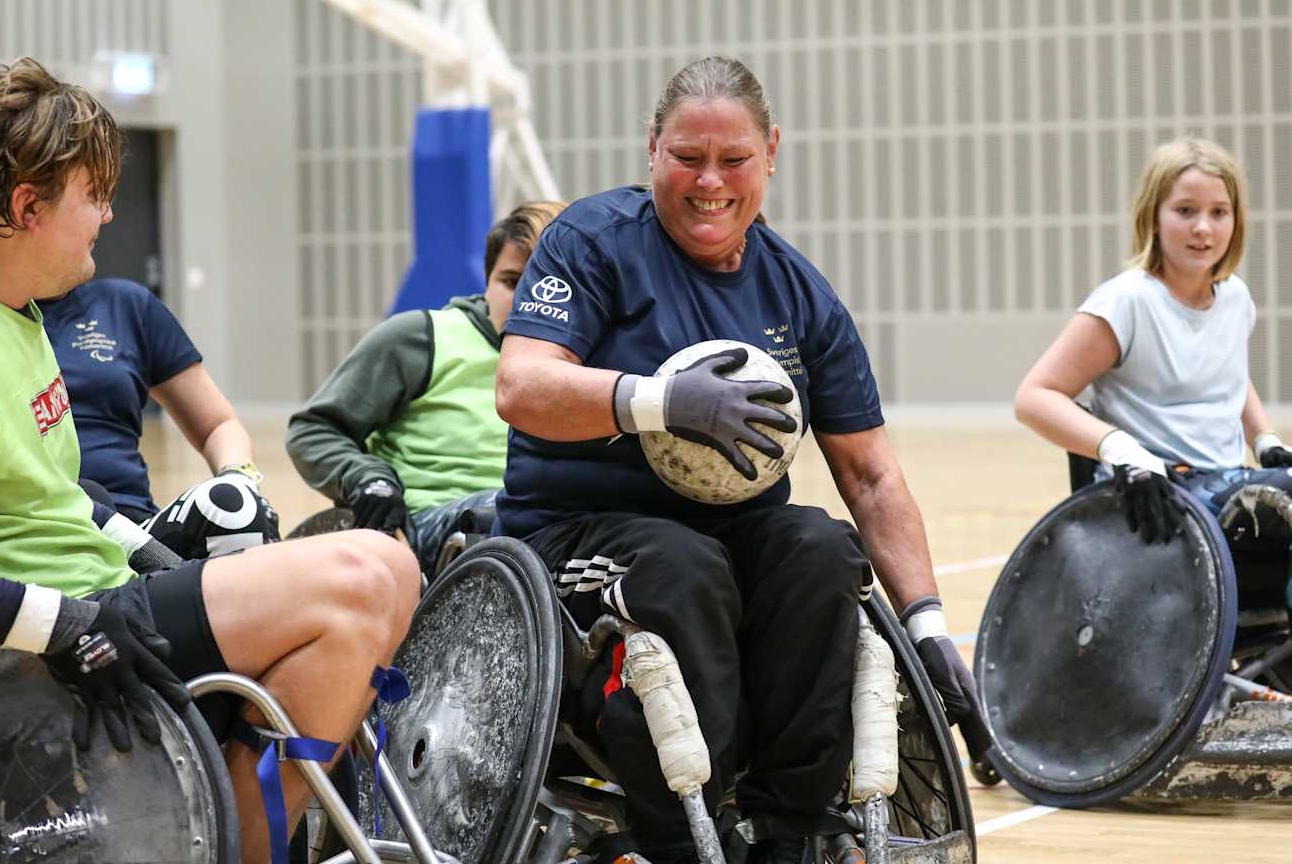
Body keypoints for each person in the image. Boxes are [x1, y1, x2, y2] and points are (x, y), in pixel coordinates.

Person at [0, 58, 419, 864]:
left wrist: (143, 546)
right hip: (42, 640)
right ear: (26, 206)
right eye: (94, 195)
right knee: (365, 579)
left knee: (384, 580)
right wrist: (62, 622)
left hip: (102, 594)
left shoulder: (6, 313)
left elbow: (45, 490)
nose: (110, 214)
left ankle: (231, 824)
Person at [494, 56, 985, 864]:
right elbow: (522, 384)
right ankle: (687, 835)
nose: (708, 183)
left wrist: (929, 629)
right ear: (651, 146)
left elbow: (869, 474)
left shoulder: (798, 293)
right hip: (574, 534)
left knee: (822, 548)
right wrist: (658, 400)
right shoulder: (590, 242)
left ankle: (783, 826)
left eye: (734, 160)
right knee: (682, 566)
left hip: (730, 536)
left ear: (772, 152)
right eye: (686, 157)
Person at [1016, 137, 1292, 595]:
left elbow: (1229, 374)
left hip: (1229, 481)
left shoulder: (1236, 298)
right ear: (1153, 216)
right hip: (1161, 490)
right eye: (1185, 211)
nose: (1203, 228)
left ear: (1235, 220)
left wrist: (1264, 439)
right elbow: (1034, 397)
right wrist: (1121, 449)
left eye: (1219, 212)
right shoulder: (1127, 302)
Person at [287, 200, 565, 571]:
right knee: (507, 514)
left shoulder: (587, 361)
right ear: (486, 283)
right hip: (440, 524)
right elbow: (312, 430)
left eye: (542, 283)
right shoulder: (420, 337)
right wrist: (367, 478)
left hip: (546, 520)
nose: (525, 299)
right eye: (511, 282)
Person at [40, 276, 280, 560]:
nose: (103, 227)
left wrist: (238, 476)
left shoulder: (127, 305)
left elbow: (219, 425)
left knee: (234, 503)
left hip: (133, 526)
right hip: (37, 532)